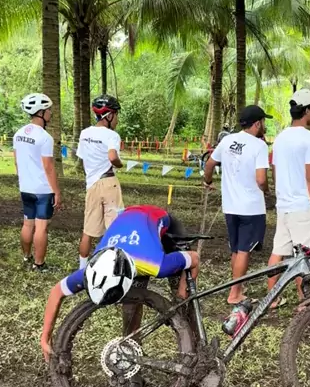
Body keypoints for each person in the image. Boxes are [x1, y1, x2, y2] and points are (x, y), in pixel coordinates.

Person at [40, 205, 199, 361]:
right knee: (130, 307)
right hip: (126, 219)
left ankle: (196, 351)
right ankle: (131, 353)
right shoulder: (93, 269)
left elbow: (195, 259)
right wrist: (45, 337)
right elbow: (56, 292)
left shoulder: (156, 265)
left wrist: (181, 295)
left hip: (158, 220)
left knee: (183, 302)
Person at [204, 104, 271, 305]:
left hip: (230, 206)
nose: (264, 126)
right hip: (251, 208)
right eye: (263, 122)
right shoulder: (259, 146)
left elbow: (210, 164)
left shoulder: (227, 140)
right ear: (257, 124)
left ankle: (237, 288)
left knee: (236, 249)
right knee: (243, 250)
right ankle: (234, 294)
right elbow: (261, 179)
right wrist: (267, 190)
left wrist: (208, 181)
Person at [267, 89, 310, 305]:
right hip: (303, 206)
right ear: (307, 111)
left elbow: (274, 170)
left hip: (284, 205)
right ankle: (304, 301)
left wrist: (281, 194)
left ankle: (271, 298)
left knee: (278, 252)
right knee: (306, 256)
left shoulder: (280, 137)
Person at [13, 93, 61, 271]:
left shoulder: (18, 134)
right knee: (41, 228)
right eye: (48, 110)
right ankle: (39, 264)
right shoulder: (45, 137)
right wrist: (57, 191)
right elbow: (48, 167)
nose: (50, 113)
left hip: (25, 187)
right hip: (42, 189)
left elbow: (16, 161)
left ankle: (27, 257)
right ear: (41, 112)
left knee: (27, 223)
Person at [77, 95, 124, 270]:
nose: (117, 119)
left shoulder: (84, 134)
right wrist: (120, 163)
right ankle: (111, 268)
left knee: (88, 230)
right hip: (109, 181)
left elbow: (83, 160)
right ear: (109, 115)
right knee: (115, 229)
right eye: (116, 115)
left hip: (92, 184)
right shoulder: (112, 135)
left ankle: (82, 269)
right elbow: (112, 157)